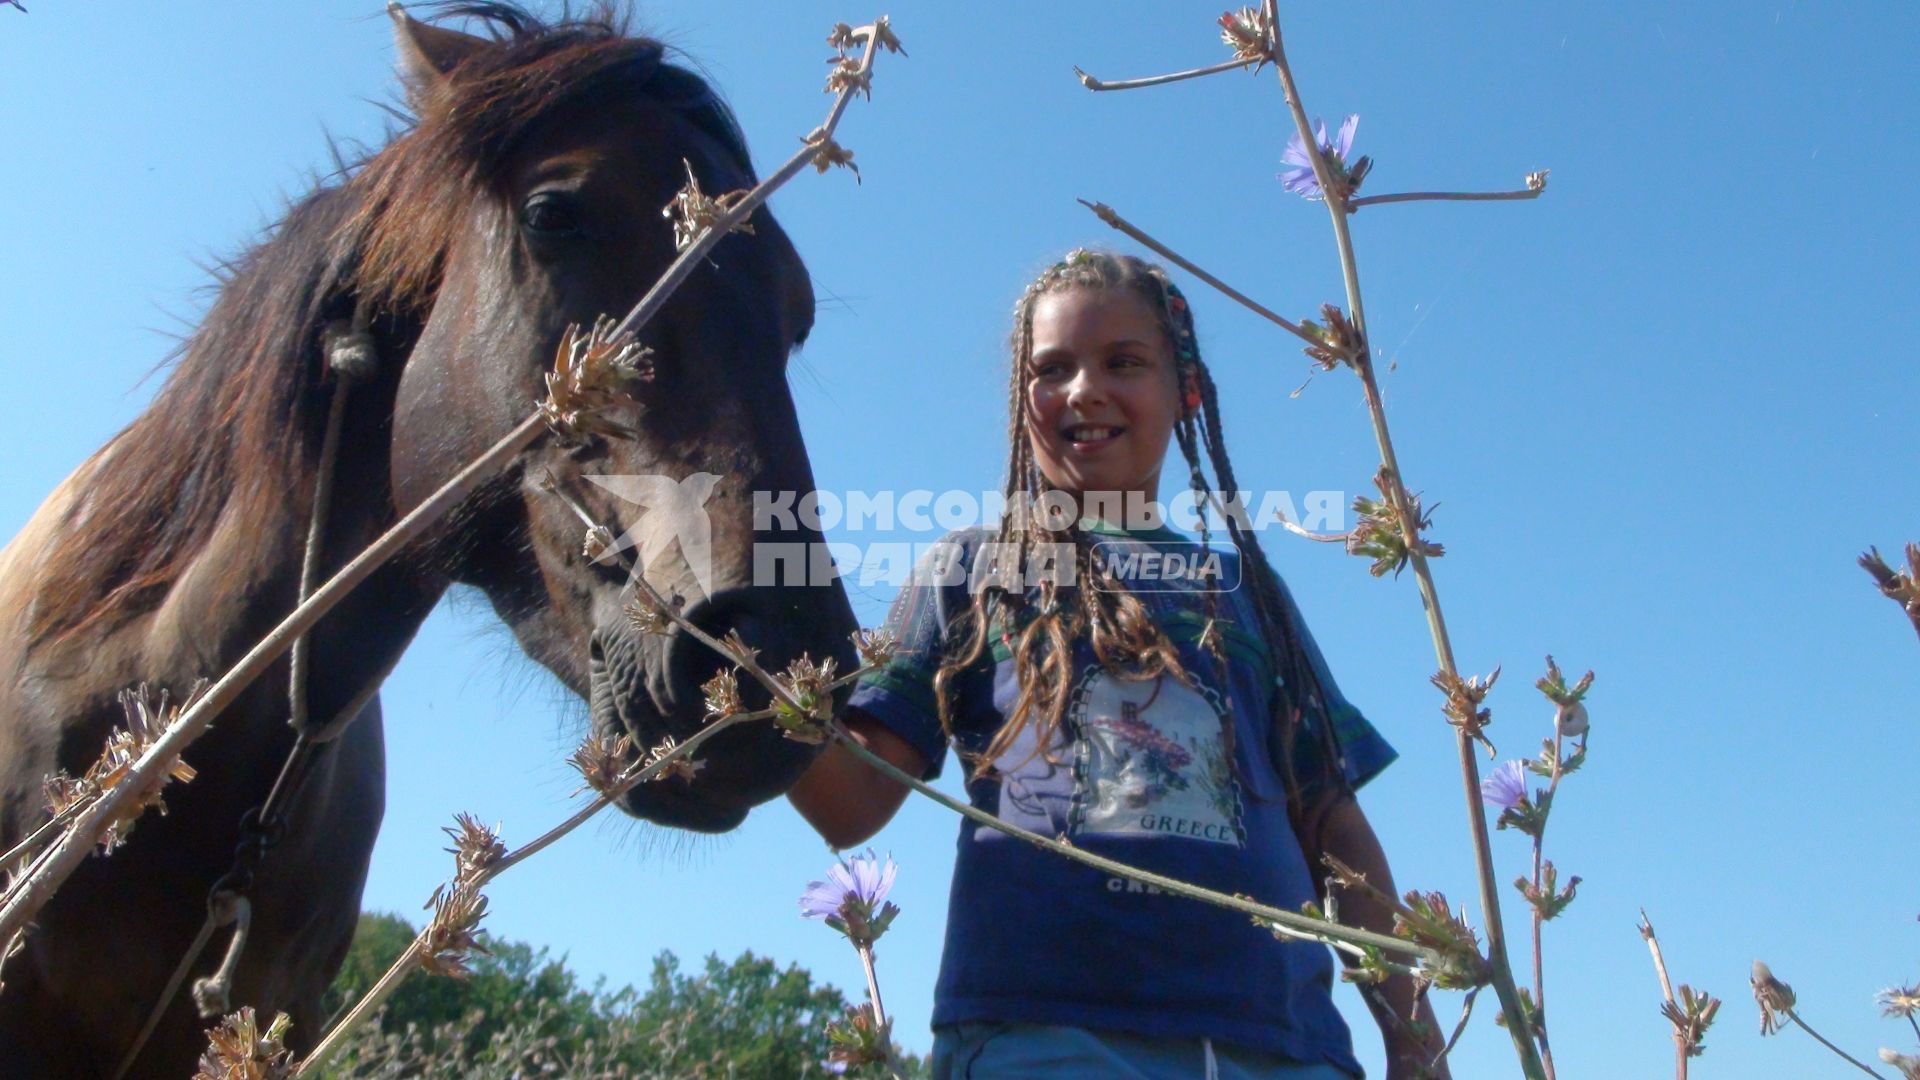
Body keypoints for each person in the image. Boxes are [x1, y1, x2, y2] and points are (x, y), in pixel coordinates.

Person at [790, 250, 1445, 1079]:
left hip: (1284, 1042)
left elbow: (1333, 826)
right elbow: (847, 805)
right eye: (1051, 369)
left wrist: (1414, 1041)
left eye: (1123, 363)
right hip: (1043, 1037)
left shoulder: (1245, 588)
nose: (1082, 391)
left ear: (1188, 392)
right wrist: (748, 669)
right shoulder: (970, 570)